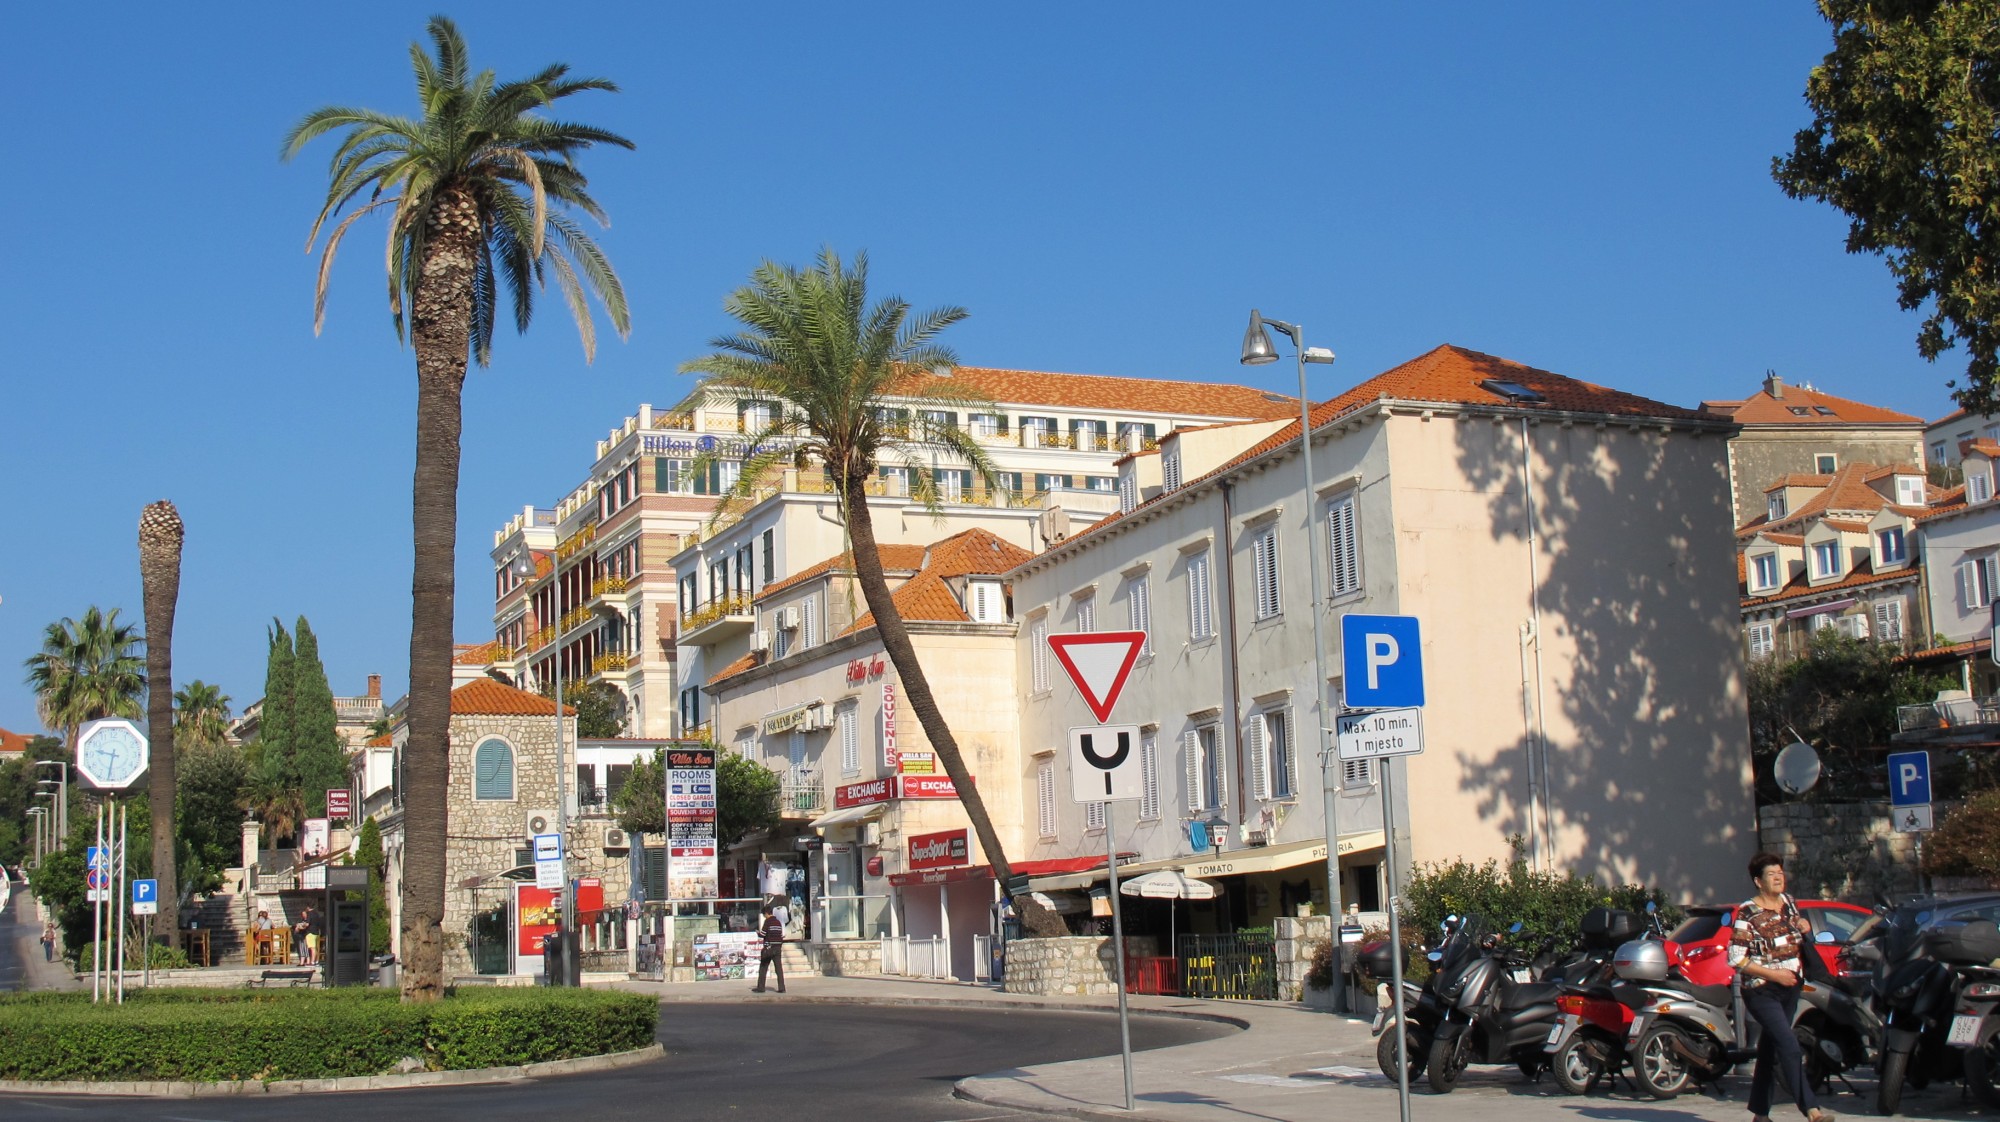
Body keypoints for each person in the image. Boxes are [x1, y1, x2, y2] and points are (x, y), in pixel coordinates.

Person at [1730, 853, 1833, 1122]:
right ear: (1758, 881)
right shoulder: (1747, 912)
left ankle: (1760, 1115)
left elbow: (1793, 937)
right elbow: (1736, 959)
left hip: (1791, 987)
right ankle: (1811, 1110)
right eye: (1771, 874)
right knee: (1789, 1046)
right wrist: (1775, 976)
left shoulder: (1788, 903)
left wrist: (1804, 926)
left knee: (1770, 1049)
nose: (1778, 878)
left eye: (1780, 873)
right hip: (1761, 990)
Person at [752, 905, 786, 993]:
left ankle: (761, 988)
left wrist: (757, 933)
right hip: (778, 948)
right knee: (779, 969)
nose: (764, 916)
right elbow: (780, 935)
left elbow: (762, 935)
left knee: (763, 968)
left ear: (767, 913)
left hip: (769, 948)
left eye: (764, 915)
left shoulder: (768, 922)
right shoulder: (778, 922)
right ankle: (782, 988)